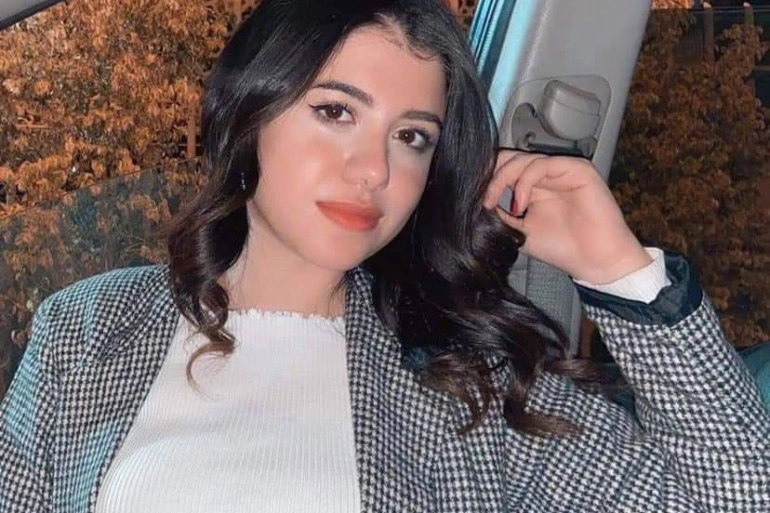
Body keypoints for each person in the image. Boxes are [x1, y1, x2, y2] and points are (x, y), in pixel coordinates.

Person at [1, 0, 767, 511]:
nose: (374, 169)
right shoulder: (90, 328)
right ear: (249, 115)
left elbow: (738, 493)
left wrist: (621, 272)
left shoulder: (463, 386)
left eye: (412, 136)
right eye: (336, 111)